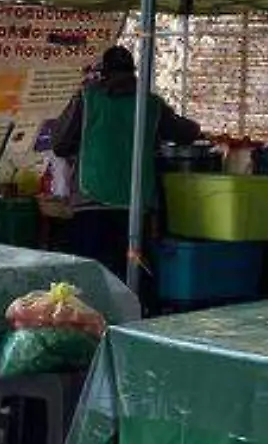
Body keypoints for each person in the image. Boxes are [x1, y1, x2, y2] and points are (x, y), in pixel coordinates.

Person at [51, 46, 202, 280]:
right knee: (133, 275)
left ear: (104, 72)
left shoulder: (87, 98)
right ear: (133, 71)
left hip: (91, 201)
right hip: (135, 204)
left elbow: (60, 145)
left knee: (92, 278)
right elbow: (187, 132)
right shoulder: (151, 104)